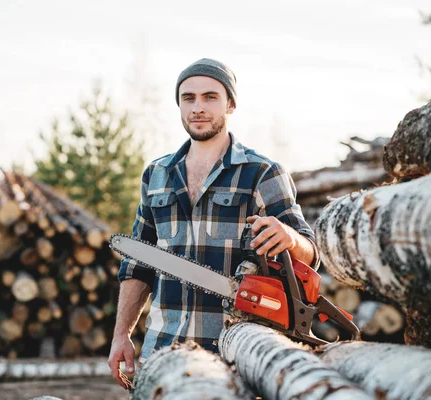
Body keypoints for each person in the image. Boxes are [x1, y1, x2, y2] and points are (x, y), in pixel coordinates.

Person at [107, 58, 319, 389]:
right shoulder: (157, 175)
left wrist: (290, 238)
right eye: (188, 98)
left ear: (230, 104)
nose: (198, 108)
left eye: (210, 97)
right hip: (161, 353)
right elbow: (138, 264)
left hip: (234, 357)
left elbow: (310, 253)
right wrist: (122, 334)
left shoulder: (261, 173)